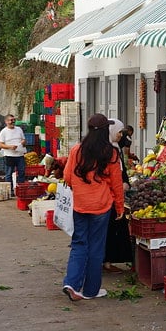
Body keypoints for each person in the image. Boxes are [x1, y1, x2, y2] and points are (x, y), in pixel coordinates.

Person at [62, 113, 125, 301]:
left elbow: (67, 177)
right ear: (106, 130)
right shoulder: (111, 153)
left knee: (79, 244)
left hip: (80, 204)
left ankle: (71, 283)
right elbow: (117, 183)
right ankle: (91, 290)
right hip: (102, 205)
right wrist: (120, 207)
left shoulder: (77, 150)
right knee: (96, 248)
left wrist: (80, 188)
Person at [101, 118, 133, 274]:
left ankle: (107, 261)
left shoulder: (114, 147)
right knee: (110, 229)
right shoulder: (107, 150)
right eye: (119, 132)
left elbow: (122, 170)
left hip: (112, 194)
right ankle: (106, 262)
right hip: (109, 196)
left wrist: (125, 181)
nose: (121, 135)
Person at [0, 114, 27, 196]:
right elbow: (0, 144)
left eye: (13, 120)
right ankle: (9, 191)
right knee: (8, 173)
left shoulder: (19, 129)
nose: (12, 121)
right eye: (10, 120)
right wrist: (10, 147)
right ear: (6, 121)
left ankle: (20, 189)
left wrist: (23, 142)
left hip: (20, 155)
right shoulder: (3, 132)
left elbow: (24, 140)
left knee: (21, 172)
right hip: (9, 155)